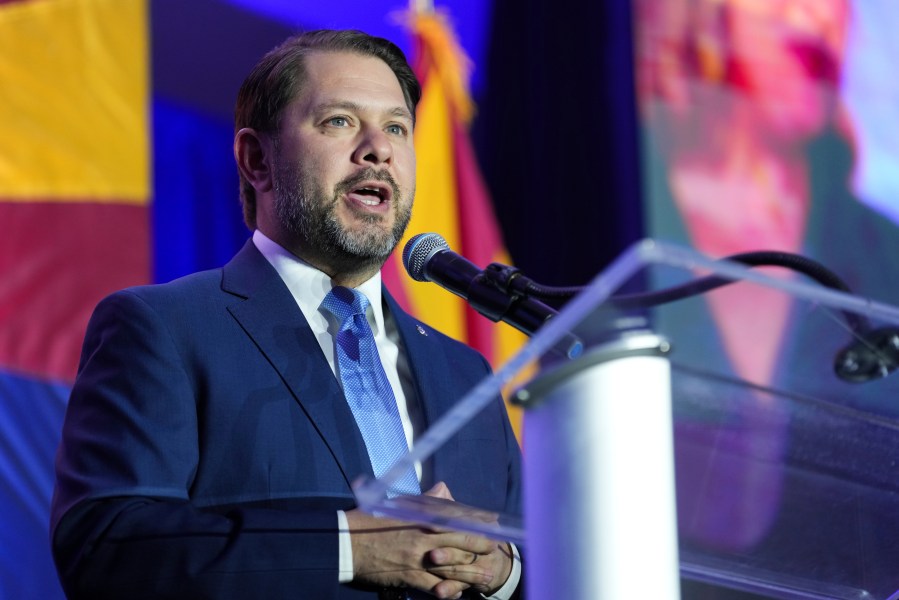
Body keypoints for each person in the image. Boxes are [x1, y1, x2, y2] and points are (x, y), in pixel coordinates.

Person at [50, 30, 522, 600]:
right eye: (340, 121)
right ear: (257, 159)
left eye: (397, 127)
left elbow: (544, 563)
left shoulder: (467, 372)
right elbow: (107, 548)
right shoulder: (164, 329)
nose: (379, 149)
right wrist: (348, 545)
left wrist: (505, 572)